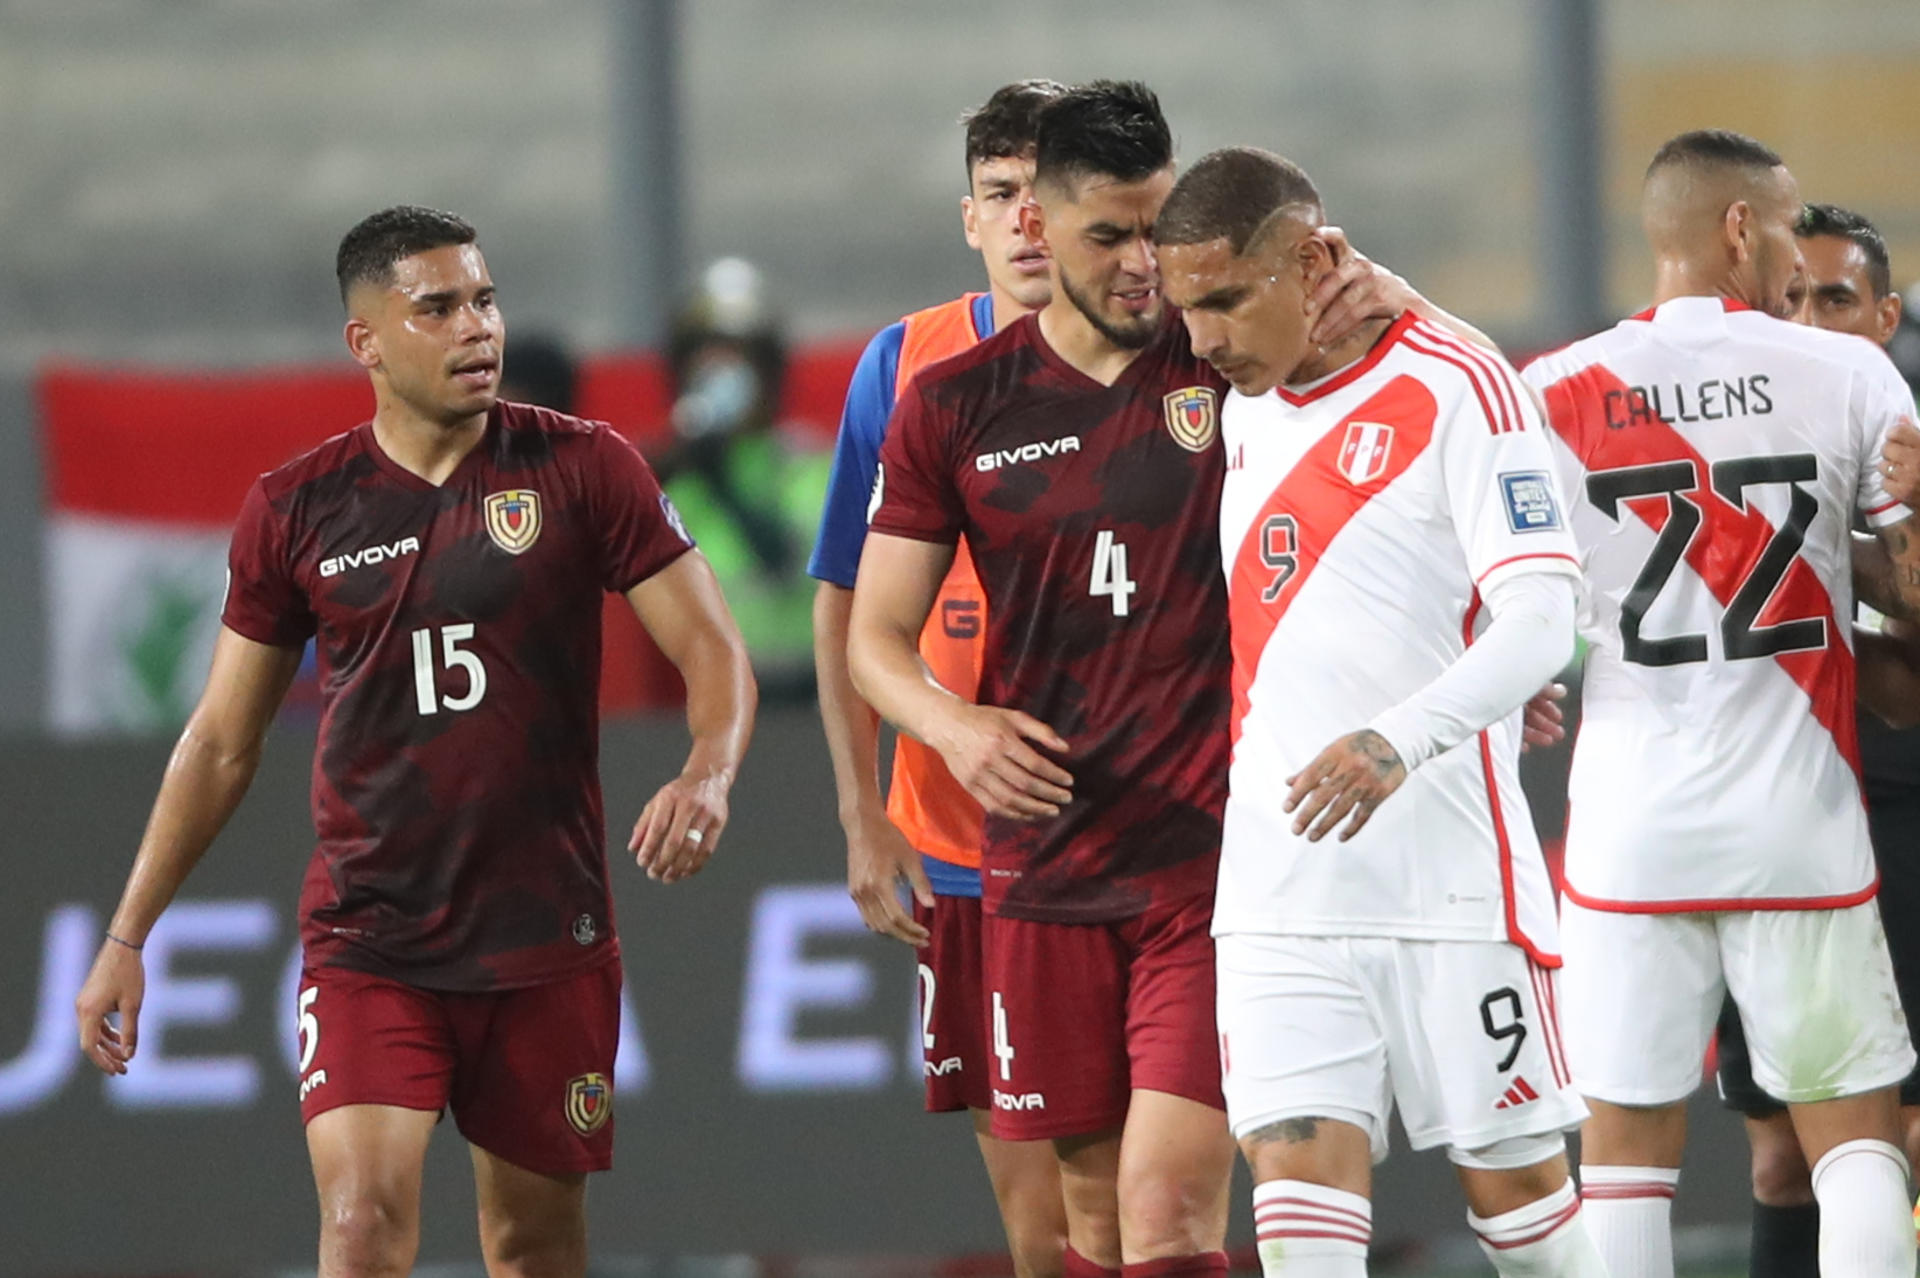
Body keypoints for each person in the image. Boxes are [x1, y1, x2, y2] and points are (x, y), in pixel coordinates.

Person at [73, 206, 757, 1278]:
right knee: (360, 1230)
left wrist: (708, 774)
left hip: (545, 937)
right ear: (368, 342)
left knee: (531, 1249)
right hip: (370, 940)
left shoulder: (585, 470)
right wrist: (126, 936)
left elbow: (716, 652)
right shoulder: (297, 509)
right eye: (437, 308)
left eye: (484, 300)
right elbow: (218, 744)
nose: (475, 328)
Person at [1155, 146, 1605, 1277]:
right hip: (1277, 882)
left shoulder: (1457, 378)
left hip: (1448, 881)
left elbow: (1544, 621)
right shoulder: (1242, 395)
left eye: (1223, 301)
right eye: (1186, 308)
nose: (1200, 340)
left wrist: (1406, 734)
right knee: (1302, 1228)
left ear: (1313, 262)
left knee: (1525, 1223)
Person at [845, 80, 1238, 1278]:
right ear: (1042, 231)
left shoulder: (1227, 363)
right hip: (1045, 865)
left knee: (1170, 1217)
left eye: (1154, 232)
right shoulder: (951, 407)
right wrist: (952, 731)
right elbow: (874, 636)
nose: (1138, 267)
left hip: (1206, 862)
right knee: (1088, 1226)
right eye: (1106, 237)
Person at [1521, 130, 1920, 1278]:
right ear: (1742, 227)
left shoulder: (1553, 391)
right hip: (1798, 820)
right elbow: (1914, 597)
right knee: (1854, 1143)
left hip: (1630, 827)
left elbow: (1511, 603)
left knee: (1625, 1156)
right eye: (1792, 228)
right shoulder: (1847, 374)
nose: (1801, 264)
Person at [809, 78, 1071, 1277]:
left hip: (1146, 836)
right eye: (999, 196)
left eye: (1043, 194)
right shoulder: (903, 366)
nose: (1025, 221)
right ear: (969, 217)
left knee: (1154, 1204)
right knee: (1040, 1227)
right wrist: (865, 816)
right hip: (960, 847)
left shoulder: (1180, 355)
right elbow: (844, 606)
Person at [1709, 201, 1920, 1278]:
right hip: (1787, 806)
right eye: (1793, 298)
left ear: (1885, 315)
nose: (1810, 320)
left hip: (1901, 799)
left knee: (1899, 1137)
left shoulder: (1903, 441)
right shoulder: (1738, 443)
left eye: (1836, 299)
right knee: (1782, 1156)